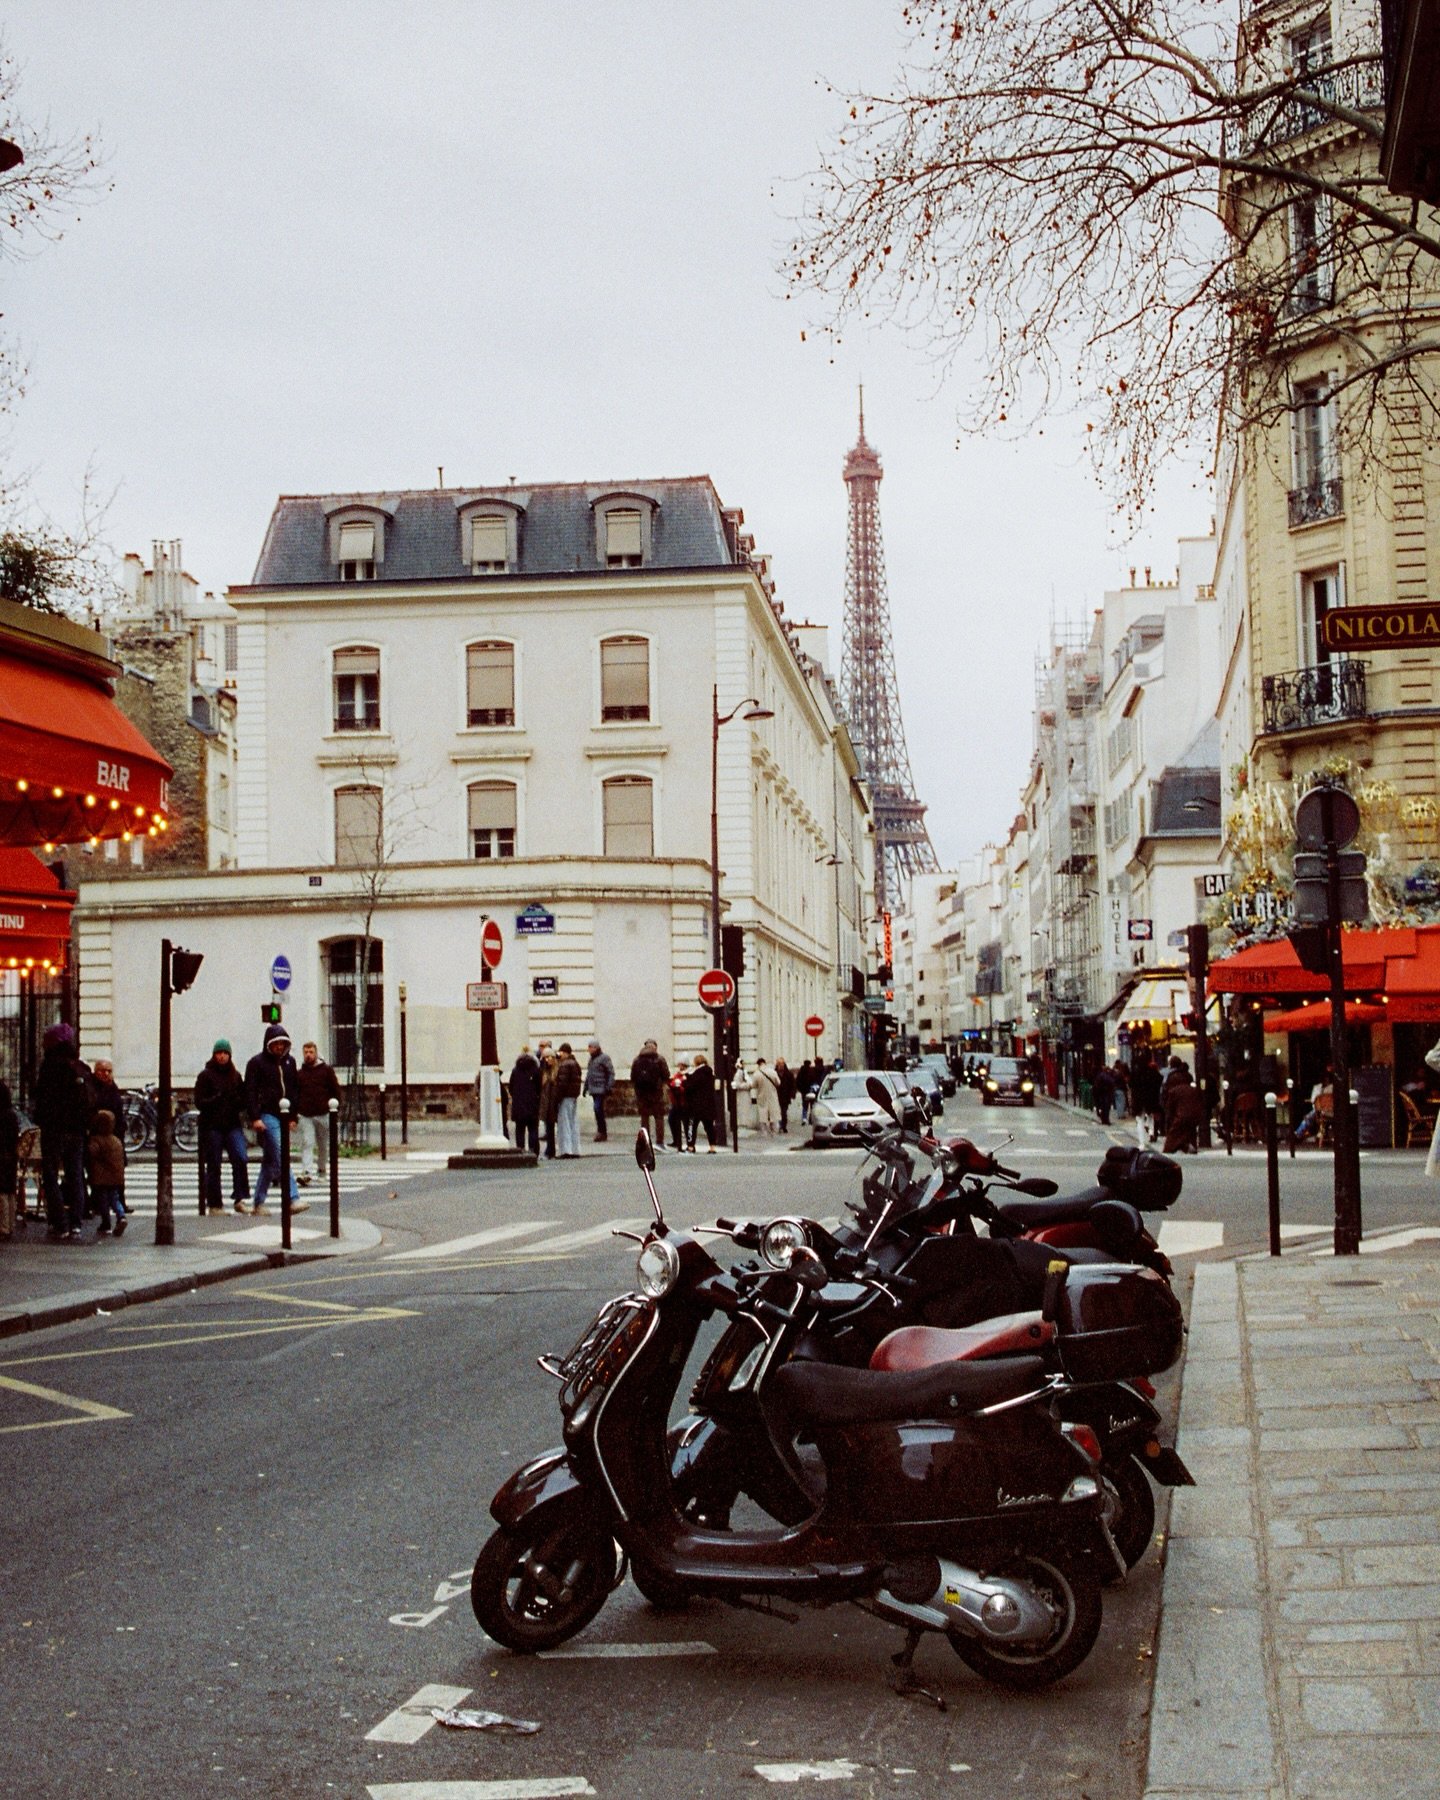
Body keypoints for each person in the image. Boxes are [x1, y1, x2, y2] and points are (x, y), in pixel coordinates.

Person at [33, 1023, 90, 1239]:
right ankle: (76, 1222)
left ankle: (59, 1222)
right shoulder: (78, 1065)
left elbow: (42, 1098)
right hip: (76, 1130)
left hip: (54, 1129)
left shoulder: (50, 1066)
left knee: (50, 1174)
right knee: (75, 1175)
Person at [244, 1022, 301, 1214]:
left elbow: (294, 1089)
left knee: (270, 1161)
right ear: (269, 1044)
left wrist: (293, 1115)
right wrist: (255, 1117)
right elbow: (250, 1092)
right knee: (281, 1153)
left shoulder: (289, 1062)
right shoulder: (256, 1063)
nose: (279, 1047)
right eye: (276, 1043)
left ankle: (258, 1203)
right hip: (267, 1114)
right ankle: (293, 1197)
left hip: (284, 1115)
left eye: (282, 1043)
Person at [195, 1039, 250, 1214]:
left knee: (240, 1157)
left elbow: (243, 1100)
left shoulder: (235, 1075)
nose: (222, 1056)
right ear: (214, 1054)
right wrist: (216, 1098)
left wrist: (238, 1101)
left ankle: (239, 1197)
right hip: (212, 1125)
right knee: (214, 1164)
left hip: (232, 1124)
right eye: (219, 1053)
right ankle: (214, 1203)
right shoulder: (205, 1075)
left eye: (225, 1053)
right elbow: (199, 1102)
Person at [295, 1042, 341, 1186]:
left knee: (323, 1145)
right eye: (306, 1052)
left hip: (323, 1112)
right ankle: (307, 1171)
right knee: (307, 1143)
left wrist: (335, 1109)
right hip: (306, 1114)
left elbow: (335, 1089)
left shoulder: (326, 1071)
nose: (308, 1055)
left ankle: (322, 1170)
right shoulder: (300, 1074)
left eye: (311, 1052)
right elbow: (296, 1093)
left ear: (316, 1053)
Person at [86, 1109, 128, 1237]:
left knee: (103, 1200)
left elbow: (92, 1153)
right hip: (115, 1177)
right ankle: (121, 1216)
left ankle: (106, 1223)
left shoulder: (97, 1140)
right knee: (115, 1199)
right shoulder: (116, 1140)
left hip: (101, 1177)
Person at [630, 1040, 670, 1148]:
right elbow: (666, 1075)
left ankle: (646, 1142)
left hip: (642, 1093)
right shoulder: (659, 1059)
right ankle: (660, 1142)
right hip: (656, 1093)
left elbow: (633, 1077)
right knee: (659, 1117)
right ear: (655, 1047)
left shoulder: (637, 1059)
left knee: (644, 1118)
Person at [1162, 1065, 1205, 1154]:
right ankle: (1189, 1146)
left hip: (1181, 1116)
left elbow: (1170, 1110)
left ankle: (1173, 1148)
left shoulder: (1173, 1091)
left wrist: (1168, 1124)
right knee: (1190, 1131)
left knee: (1173, 1135)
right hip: (1195, 1115)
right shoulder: (1192, 1089)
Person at [508, 1046, 541, 1157]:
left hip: (518, 1105)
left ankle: (520, 1149)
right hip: (532, 1104)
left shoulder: (515, 1070)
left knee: (520, 1130)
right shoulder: (535, 1069)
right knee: (533, 1129)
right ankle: (532, 1150)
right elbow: (539, 1086)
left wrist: (516, 1097)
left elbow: (511, 1087)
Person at [583, 1040, 615, 1142]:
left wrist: (609, 1086)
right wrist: (585, 1087)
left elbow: (610, 1072)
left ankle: (602, 1132)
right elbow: (589, 1074)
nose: (589, 1050)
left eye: (590, 1047)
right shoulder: (591, 1059)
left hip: (601, 1088)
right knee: (598, 1110)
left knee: (597, 1109)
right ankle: (601, 1131)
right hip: (593, 1088)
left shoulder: (604, 1058)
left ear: (596, 1048)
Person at [554, 1043, 582, 1158]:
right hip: (573, 1096)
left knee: (564, 1123)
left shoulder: (565, 1065)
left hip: (565, 1096)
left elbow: (562, 1083)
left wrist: (557, 1097)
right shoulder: (575, 1064)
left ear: (564, 1052)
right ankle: (575, 1149)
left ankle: (566, 1150)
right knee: (573, 1123)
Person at [684, 1052, 717, 1152]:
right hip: (709, 1105)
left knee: (691, 1127)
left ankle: (690, 1146)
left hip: (695, 1106)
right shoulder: (710, 1074)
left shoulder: (696, 1074)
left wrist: (687, 1077)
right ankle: (712, 1147)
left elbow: (689, 1087)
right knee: (709, 1127)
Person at [0, 1079, 19, 1240]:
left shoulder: (2, 1116)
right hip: (11, 1155)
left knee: (2, 1193)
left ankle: (4, 1226)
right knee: (9, 1191)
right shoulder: (11, 1115)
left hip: (2, 1155)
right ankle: (10, 1224)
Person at [1130, 1052, 1161, 1148]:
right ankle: (1151, 1132)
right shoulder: (1152, 1072)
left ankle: (1141, 1143)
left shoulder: (1135, 1073)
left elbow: (1131, 1085)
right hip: (1151, 1098)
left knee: (1140, 1120)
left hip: (1139, 1099)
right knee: (1151, 1115)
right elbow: (1159, 1081)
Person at [538, 1045, 560, 1160]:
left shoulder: (556, 1071)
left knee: (551, 1128)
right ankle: (549, 1150)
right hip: (546, 1103)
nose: (548, 1060)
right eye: (545, 1058)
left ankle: (551, 1150)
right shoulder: (544, 1072)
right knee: (548, 1128)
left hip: (553, 1104)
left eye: (549, 1057)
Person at [752, 1057, 781, 1133]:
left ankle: (764, 1131)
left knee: (763, 1114)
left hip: (762, 1096)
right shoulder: (772, 1072)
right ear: (765, 1063)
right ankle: (775, 1130)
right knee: (773, 1114)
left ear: (758, 1064)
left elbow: (753, 1085)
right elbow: (778, 1083)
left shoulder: (756, 1074)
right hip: (772, 1095)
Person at [666, 1061, 688, 1150]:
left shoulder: (687, 1075)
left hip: (684, 1102)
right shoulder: (677, 1075)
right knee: (672, 1120)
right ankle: (676, 1140)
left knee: (685, 1123)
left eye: (682, 1065)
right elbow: (672, 1083)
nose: (680, 1067)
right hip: (676, 1102)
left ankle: (688, 1142)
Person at [775, 1058, 797, 1134]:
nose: (781, 1066)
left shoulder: (789, 1074)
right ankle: (779, 1125)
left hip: (785, 1096)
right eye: (779, 1064)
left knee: (784, 1112)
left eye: (782, 1064)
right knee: (777, 1112)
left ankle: (783, 1126)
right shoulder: (774, 1073)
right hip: (776, 1096)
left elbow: (793, 1085)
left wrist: (792, 1094)